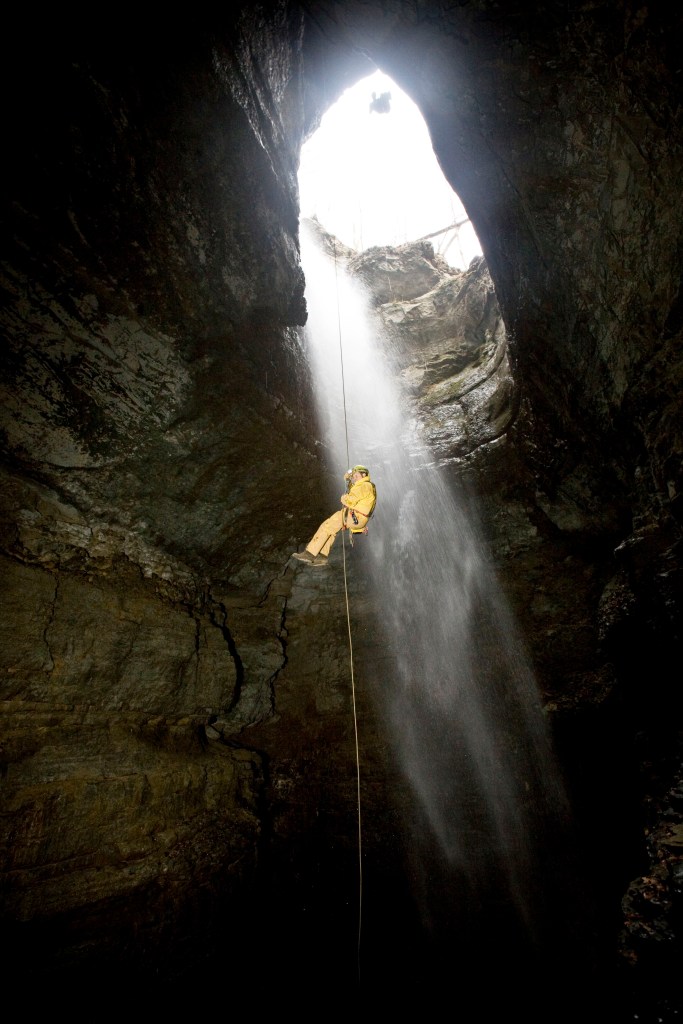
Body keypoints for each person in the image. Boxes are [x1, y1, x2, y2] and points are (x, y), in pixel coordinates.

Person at [291, 465, 377, 567]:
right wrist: (349, 481)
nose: (354, 478)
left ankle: (309, 554)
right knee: (331, 530)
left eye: (356, 475)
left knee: (326, 526)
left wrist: (344, 498)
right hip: (359, 519)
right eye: (354, 476)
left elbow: (351, 499)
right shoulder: (368, 486)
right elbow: (356, 493)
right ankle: (322, 556)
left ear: (364, 474)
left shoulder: (364, 486)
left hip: (354, 516)